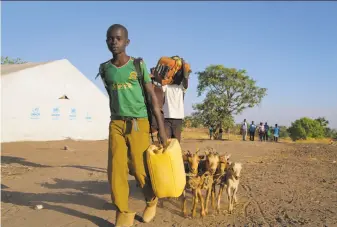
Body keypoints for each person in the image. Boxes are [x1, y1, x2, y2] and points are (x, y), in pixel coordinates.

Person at [97, 24, 168, 227]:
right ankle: (122, 212)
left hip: (138, 123)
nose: (114, 42)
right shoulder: (104, 69)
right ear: (106, 41)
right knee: (116, 169)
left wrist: (161, 129)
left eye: (118, 38)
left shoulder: (137, 65)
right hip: (117, 123)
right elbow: (112, 96)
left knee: (139, 167)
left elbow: (151, 96)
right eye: (110, 38)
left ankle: (151, 200)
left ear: (127, 42)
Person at [162, 60, 190, 143]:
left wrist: (184, 66)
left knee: (176, 144)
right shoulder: (166, 86)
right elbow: (162, 80)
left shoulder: (182, 87)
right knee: (166, 143)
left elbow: (185, 80)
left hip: (178, 118)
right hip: (166, 118)